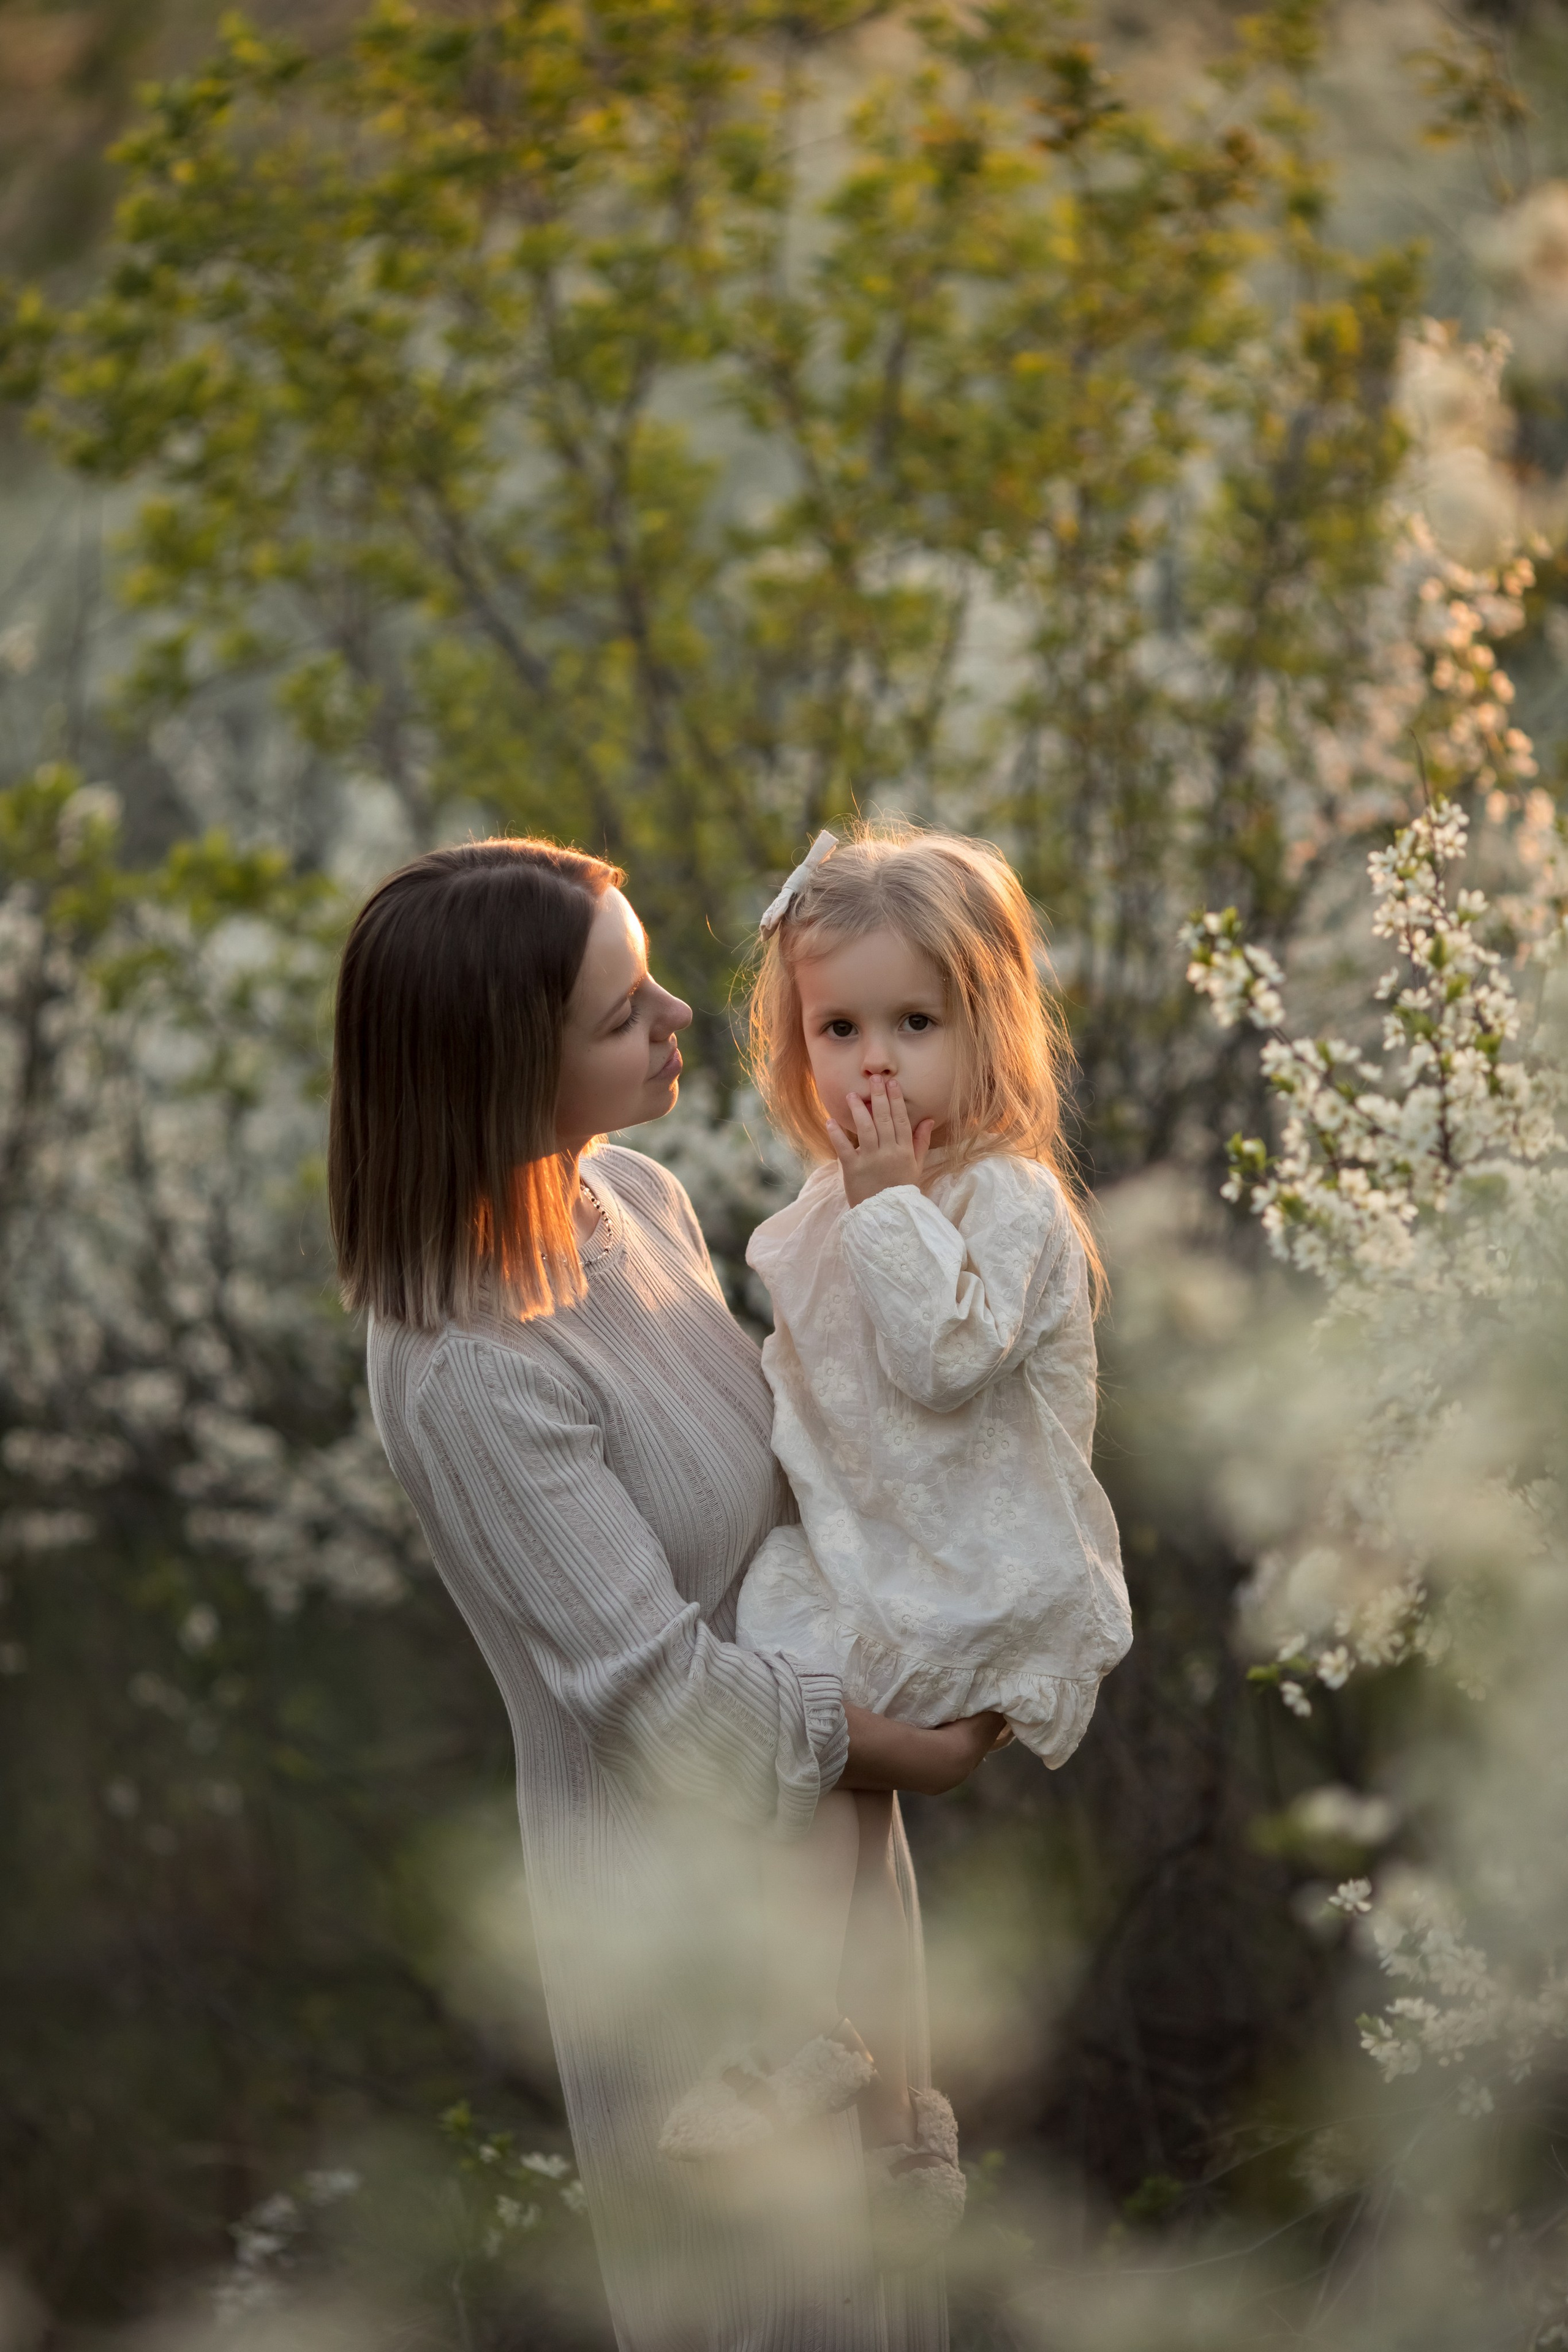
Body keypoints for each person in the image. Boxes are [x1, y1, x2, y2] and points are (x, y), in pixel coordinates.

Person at [327, 835, 1009, 2351]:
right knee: (773, 2310)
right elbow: (655, 1697)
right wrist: (927, 1746)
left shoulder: (630, 1198)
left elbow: (784, 1489)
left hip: (830, 1838)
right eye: (620, 1008)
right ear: (500, 1071)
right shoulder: (465, 1368)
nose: (681, 1014)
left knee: (886, 2291)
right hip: (685, 1926)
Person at [658, 827, 1131, 2269]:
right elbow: (825, 1397)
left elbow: (936, 1361)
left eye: (913, 1025)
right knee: (838, 1798)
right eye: (837, 1027)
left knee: (824, 1779)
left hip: (974, 1566)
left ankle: (804, 2038)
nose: (875, 1065)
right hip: (871, 1555)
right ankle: (899, 2102)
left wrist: (880, 1212)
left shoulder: (1004, 1199)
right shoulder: (832, 1208)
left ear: (984, 1027)